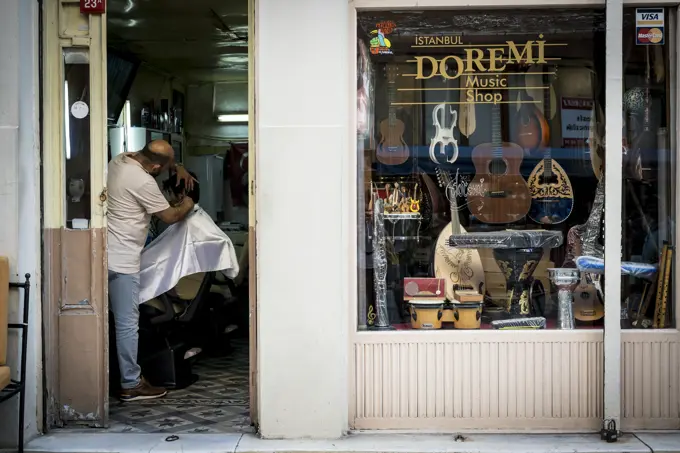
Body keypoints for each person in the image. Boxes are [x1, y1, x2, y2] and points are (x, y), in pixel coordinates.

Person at [107, 140, 195, 401]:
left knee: (114, 320)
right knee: (126, 325)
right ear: (155, 166)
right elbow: (170, 216)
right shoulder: (142, 182)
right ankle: (131, 383)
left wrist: (176, 166)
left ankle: (120, 375)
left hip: (104, 253)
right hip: (121, 260)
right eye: (164, 168)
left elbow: (152, 157)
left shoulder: (120, 161)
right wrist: (187, 203)